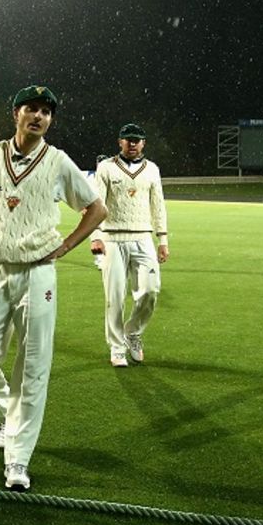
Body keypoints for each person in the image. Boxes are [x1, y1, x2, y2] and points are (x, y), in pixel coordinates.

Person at [0, 85, 106, 493]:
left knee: (33, 368)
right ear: (15, 113)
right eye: (31, 109)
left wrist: (66, 245)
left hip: (38, 271)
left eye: (47, 112)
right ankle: (7, 415)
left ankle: (18, 459)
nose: (39, 117)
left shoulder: (57, 162)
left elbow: (97, 208)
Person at [89, 123, 169, 367]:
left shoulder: (152, 169)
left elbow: (158, 205)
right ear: (119, 141)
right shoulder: (106, 167)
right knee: (114, 296)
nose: (132, 144)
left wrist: (162, 239)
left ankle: (132, 332)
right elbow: (96, 203)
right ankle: (116, 347)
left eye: (137, 140)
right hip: (113, 237)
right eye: (128, 139)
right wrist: (95, 235)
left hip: (143, 237)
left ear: (144, 143)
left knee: (151, 291)